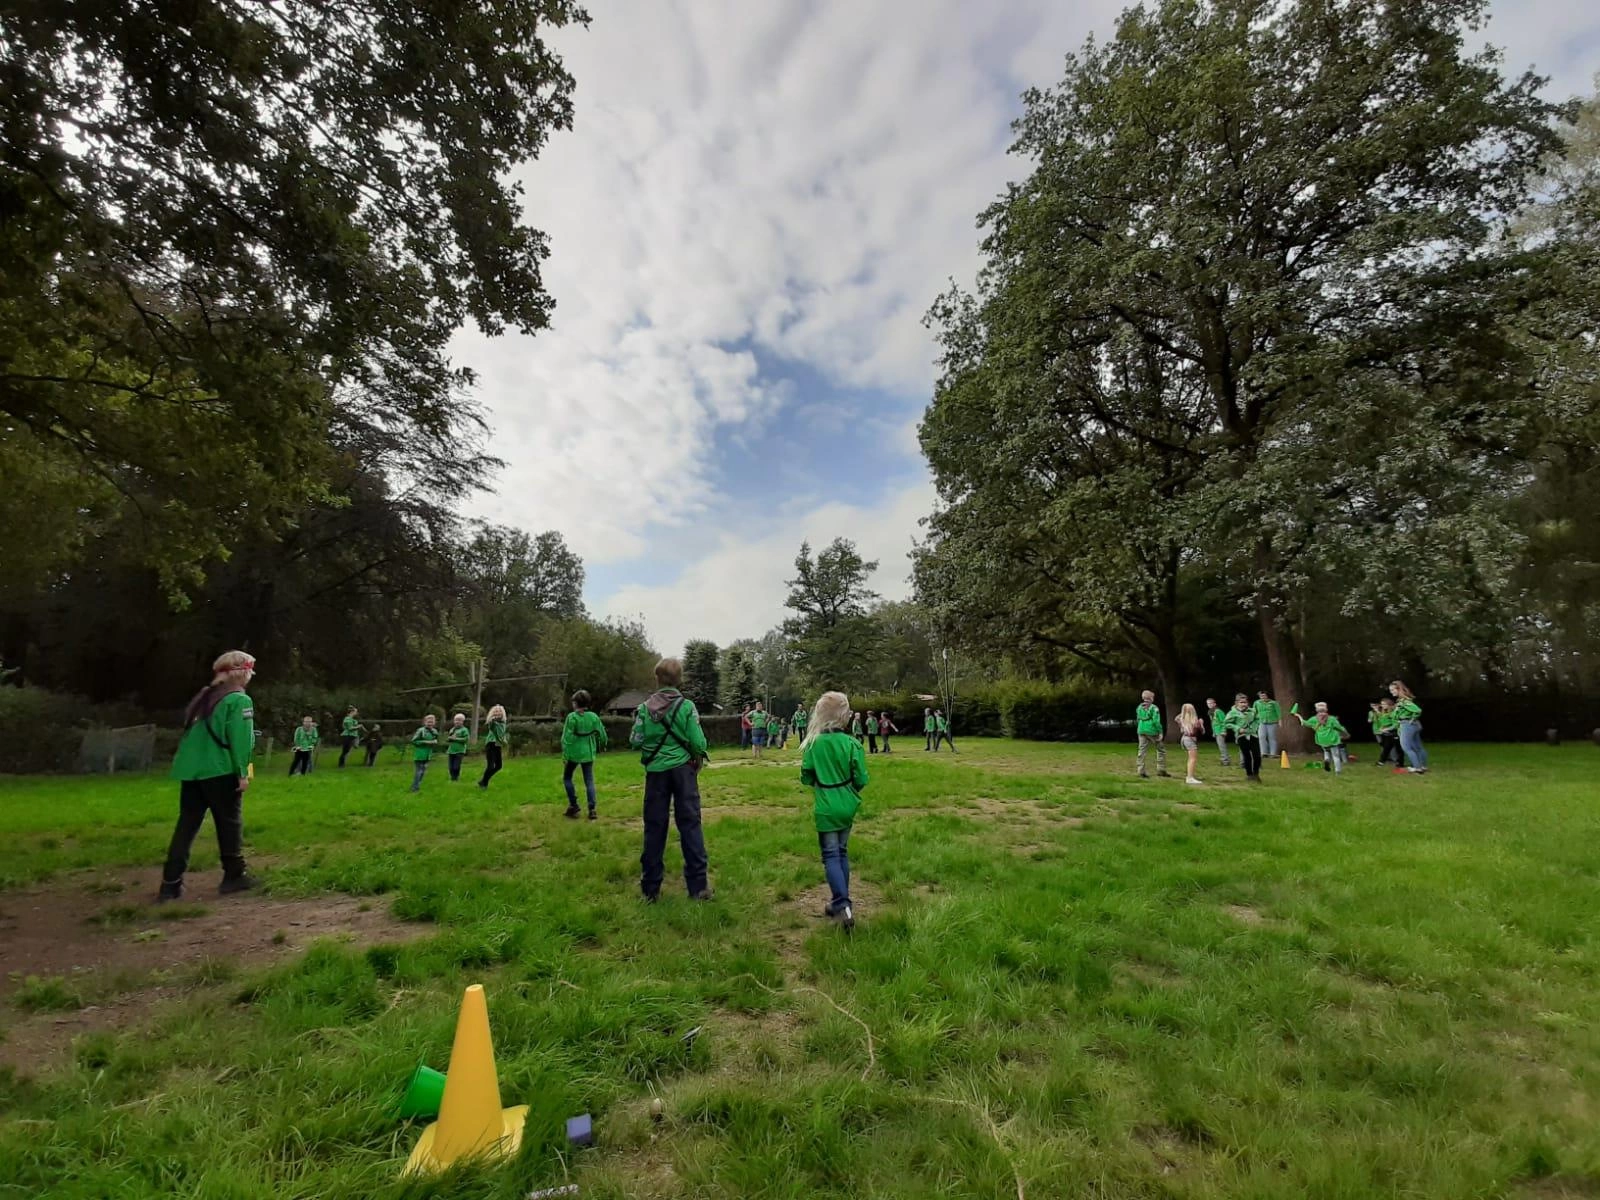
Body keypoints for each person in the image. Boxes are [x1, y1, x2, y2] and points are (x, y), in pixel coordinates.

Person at [161, 650, 260, 901]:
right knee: (229, 823)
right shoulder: (239, 700)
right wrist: (244, 773)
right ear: (243, 673)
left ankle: (170, 883)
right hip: (220, 769)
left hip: (191, 771)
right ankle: (234, 875)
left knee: (187, 825)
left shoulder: (204, 697)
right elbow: (241, 741)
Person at [629, 658, 711, 901]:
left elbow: (635, 740)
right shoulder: (687, 707)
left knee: (654, 827)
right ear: (680, 680)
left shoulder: (644, 709)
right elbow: (699, 743)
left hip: (656, 773)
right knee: (690, 825)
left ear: (657, 679)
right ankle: (698, 887)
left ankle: (650, 889)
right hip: (684, 772)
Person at [800, 691, 868, 930]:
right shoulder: (852, 744)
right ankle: (840, 901)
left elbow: (806, 776)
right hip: (848, 805)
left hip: (826, 807)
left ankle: (842, 904)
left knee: (830, 855)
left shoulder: (813, 744)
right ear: (844, 717)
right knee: (842, 851)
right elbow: (861, 779)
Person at [561, 690, 608, 818]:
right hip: (588, 752)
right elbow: (602, 734)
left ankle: (573, 805)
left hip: (574, 753)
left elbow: (566, 738)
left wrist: (565, 754)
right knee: (589, 781)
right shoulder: (593, 717)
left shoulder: (572, 717)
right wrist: (602, 745)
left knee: (567, 778)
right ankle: (592, 809)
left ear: (575, 703)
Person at [1296, 701, 1350, 774]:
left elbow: (1305, 723)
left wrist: (1299, 716)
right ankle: (1338, 771)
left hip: (1322, 740)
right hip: (1332, 740)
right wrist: (1345, 734)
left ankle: (1327, 760)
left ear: (1317, 710)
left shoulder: (1314, 719)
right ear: (1326, 709)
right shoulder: (1332, 719)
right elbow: (1339, 727)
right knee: (1336, 756)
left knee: (1326, 751)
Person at [1389, 680, 1428, 773]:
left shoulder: (1403, 701)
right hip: (1412, 725)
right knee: (1418, 747)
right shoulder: (1403, 700)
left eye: (1393, 690)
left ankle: (1417, 768)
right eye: (1390, 690)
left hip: (1407, 725)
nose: (1391, 692)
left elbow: (1417, 710)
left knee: (1406, 747)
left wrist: (1412, 718)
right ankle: (1423, 766)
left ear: (1399, 689)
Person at [1225, 694, 1263, 782]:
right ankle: (1249, 774)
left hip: (1253, 735)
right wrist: (1238, 728)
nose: (1243, 704)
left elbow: (1257, 719)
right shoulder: (1232, 713)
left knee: (1257, 755)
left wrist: (1253, 728)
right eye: (1241, 702)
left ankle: (1256, 774)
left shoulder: (1252, 711)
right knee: (1247, 756)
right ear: (1236, 703)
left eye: (1245, 702)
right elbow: (1226, 723)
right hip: (1241, 736)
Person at [1135, 690, 1170, 779]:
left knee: (1142, 750)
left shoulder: (1139, 707)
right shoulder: (1154, 708)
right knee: (1160, 749)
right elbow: (1156, 721)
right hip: (1152, 730)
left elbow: (1138, 718)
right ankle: (1161, 769)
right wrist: (1160, 731)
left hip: (1141, 730)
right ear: (1151, 698)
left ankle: (1141, 770)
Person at [479, 704, 508, 788]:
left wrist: (504, 740)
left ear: (502, 713)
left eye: (499, 712)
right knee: (491, 766)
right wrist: (492, 720)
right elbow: (491, 725)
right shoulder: (493, 722)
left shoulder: (503, 723)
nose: (497, 713)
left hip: (498, 745)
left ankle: (483, 781)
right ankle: (484, 783)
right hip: (491, 744)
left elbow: (502, 733)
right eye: (495, 712)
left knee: (499, 766)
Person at [409, 714, 439, 793]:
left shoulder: (434, 731)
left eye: (432, 722)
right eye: (428, 722)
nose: (430, 723)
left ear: (434, 723)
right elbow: (414, 741)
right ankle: (414, 788)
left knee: (423, 772)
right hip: (420, 754)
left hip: (428, 754)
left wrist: (434, 742)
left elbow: (435, 740)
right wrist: (426, 742)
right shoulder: (421, 730)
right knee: (419, 771)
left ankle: (416, 786)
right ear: (424, 722)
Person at [1370, 698, 1403, 768]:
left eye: (1384, 704)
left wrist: (1388, 728)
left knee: (1398, 748)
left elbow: (1396, 724)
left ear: (1389, 705)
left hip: (1394, 733)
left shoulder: (1393, 713)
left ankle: (1400, 763)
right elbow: (1383, 721)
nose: (1382, 705)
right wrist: (1381, 728)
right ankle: (1381, 762)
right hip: (1386, 733)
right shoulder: (1384, 712)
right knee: (1386, 748)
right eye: (1382, 704)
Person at [1178, 703, 1205, 785]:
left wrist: (1183, 712)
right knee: (1192, 759)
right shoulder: (1194, 721)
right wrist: (1201, 723)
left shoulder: (1182, 719)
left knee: (1190, 759)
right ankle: (1190, 778)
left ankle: (1190, 776)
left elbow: (1176, 718)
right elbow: (1202, 731)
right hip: (1190, 740)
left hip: (1184, 738)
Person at [1254, 690, 1282, 760]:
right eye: (1261, 696)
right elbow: (1254, 711)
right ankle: (1264, 752)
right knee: (1261, 736)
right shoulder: (1257, 703)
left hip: (1272, 722)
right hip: (1261, 722)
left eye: (1264, 696)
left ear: (1267, 696)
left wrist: (1280, 721)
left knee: (1272, 737)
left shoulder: (1273, 703)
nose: (1262, 697)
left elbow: (1278, 712)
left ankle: (1273, 753)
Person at [1206, 698, 1231, 767]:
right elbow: (1213, 723)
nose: (1209, 705)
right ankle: (1225, 759)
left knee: (1222, 746)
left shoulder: (1218, 711)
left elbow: (1224, 721)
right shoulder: (1211, 712)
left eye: (1210, 703)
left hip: (1220, 731)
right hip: (1216, 731)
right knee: (1220, 746)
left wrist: (1223, 730)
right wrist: (1214, 732)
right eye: (1208, 703)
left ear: (1214, 704)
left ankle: (1225, 760)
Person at [445, 712, 469, 781]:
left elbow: (466, 739)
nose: (457, 722)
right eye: (456, 720)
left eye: (459, 720)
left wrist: (456, 739)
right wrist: (449, 739)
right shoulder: (452, 729)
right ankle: (452, 778)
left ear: (463, 721)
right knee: (451, 767)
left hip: (459, 751)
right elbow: (449, 738)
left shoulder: (464, 730)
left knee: (456, 766)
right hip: (451, 750)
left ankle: (456, 777)